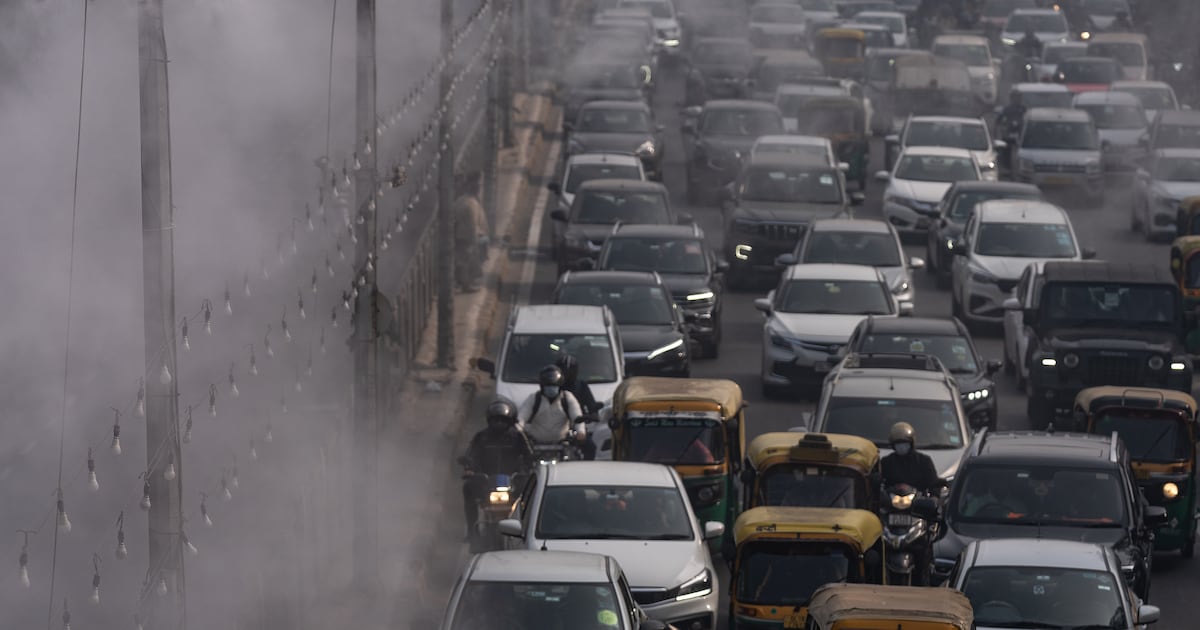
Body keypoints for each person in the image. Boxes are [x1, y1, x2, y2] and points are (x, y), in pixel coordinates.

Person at [460, 399, 535, 540]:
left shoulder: (518, 437)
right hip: (486, 480)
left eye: (503, 420)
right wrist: (469, 467)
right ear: (489, 421)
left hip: (513, 480)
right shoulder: (481, 437)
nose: (499, 424)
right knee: (468, 488)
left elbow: (529, 455)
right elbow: (471, 454)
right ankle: (471, 530)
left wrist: (527, 468)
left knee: (530, 493)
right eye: (496, 421)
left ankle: (529, 528)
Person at [517, 365, 588, 455]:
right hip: (535, 446)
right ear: (542, 386)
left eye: (554, 386)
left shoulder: (567, 398)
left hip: (562, 446)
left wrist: (580, 432)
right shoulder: (534, 398)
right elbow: (522, 416)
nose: (551, 389)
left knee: (588, 448)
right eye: (548, 386)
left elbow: (577, 416)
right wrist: (518, 429)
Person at [453, 171, 489, 293]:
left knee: (463, 260)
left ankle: (464, 283)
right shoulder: (470, 204)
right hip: (467, 237)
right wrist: (474, 243)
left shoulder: (463, 200)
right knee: (466, 261)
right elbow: (472, 226)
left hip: (462, 236)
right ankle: (465, 284)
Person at [880, 422, 940, 494]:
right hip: (891, 501)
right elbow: (880, 482)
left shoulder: (924, 461)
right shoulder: (886, 462)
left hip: (919, 502)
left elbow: (934, 483)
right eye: (898, 443)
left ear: (911, 443)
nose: (901, 447)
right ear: (893, 444)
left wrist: (934, 497)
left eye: (905, 442)